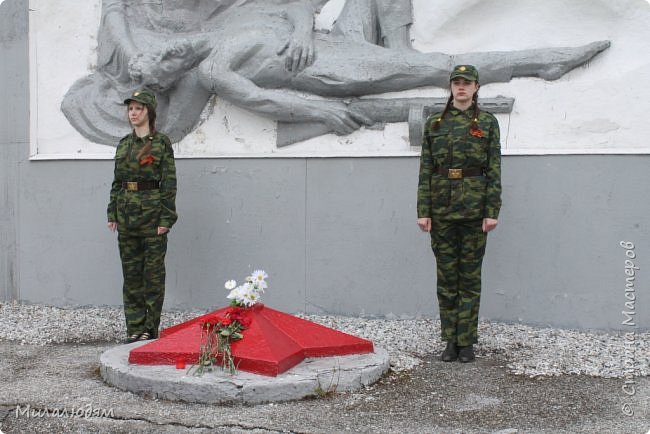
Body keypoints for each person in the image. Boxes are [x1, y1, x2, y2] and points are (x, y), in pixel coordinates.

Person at [62, 0, 609, 147]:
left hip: (327, 41)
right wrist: (321, 110)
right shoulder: (215, 67)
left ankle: (398, 46)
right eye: (165, 59)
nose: (170, 49)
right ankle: (546, 61)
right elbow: (266, 102)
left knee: (409, 55)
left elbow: (298, 7)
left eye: (165, 49)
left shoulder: (234, 20)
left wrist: (301, 29)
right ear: (173, 72)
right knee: (439, 69)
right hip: (334, 70)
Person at [416, 65, 500, 363]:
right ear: (451, 88)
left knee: (470, 278)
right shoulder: (435, 124)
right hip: (441, 210)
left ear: (476, 87)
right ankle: (449, 340)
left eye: (467, 83)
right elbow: (426, 168)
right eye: (457, 83)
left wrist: (492, 211)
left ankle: (467, 342)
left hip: (474, 210)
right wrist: (423, 210)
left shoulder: (487, 123)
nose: (461, 88)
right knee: (447, 278)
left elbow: (494, 169)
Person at [107, 89, 178, 343]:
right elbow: (117, 181)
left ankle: (150, 328)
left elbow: (169, 183)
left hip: (152, 218)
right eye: (130, 109)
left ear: (149, 111)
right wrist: (112, 212)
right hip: (127, 218)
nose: (133, 113)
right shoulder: (124, 145)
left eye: (138, 108)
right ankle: (134, 328)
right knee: (132, 275)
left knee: (153, 277)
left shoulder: (160, 143)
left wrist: (166, 219)